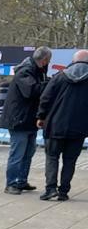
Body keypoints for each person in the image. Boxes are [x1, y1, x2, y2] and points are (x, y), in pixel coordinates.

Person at [36, 50, 88, 201]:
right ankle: (64, 191)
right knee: (70, 160)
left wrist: (41, 116)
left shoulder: (60, 76)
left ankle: (50, 189)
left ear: (74, 61)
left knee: (52, 157)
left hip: (55, 125)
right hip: (79, 128)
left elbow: (45, 98)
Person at [0, 47, 52, 194]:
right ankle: (11, 183)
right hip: (19, 119)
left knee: (28, 152)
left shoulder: (36, 71)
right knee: (17, 153)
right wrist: (50, 83)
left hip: (28, 119)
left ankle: (21, 181)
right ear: (45, 60)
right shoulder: (25, 71)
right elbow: (31, 91)